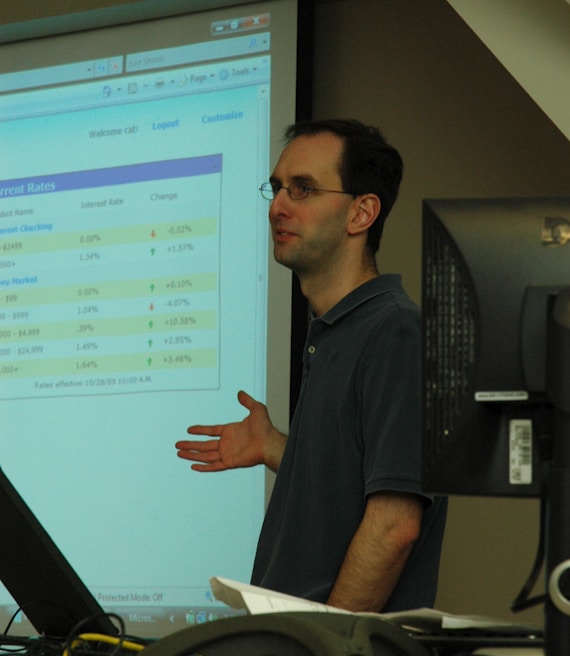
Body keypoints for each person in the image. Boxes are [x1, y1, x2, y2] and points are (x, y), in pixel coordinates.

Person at [175, 118, 447, 613]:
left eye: (302, 189)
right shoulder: (333, 332)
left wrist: (323, 647)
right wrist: (279, 448)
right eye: (277, 188)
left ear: (361, 213)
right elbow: (351, 477)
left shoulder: (396, 332)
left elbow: (394, 526)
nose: (278, 205)